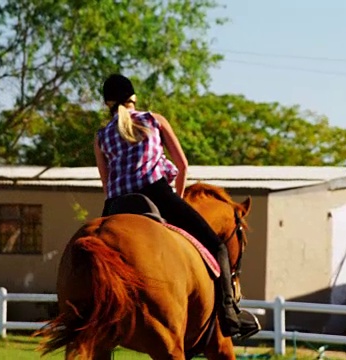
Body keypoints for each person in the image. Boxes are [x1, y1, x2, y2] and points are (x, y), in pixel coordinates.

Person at [94, 74, 260, 340]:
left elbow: (106, 183)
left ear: (108, 104)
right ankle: (230, 316)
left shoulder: (101, 137)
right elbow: (182, 165)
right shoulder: (153, 120)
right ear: (133, 98)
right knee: (216, 246)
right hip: (155, 194)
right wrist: (178, 199)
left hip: (115, 205)